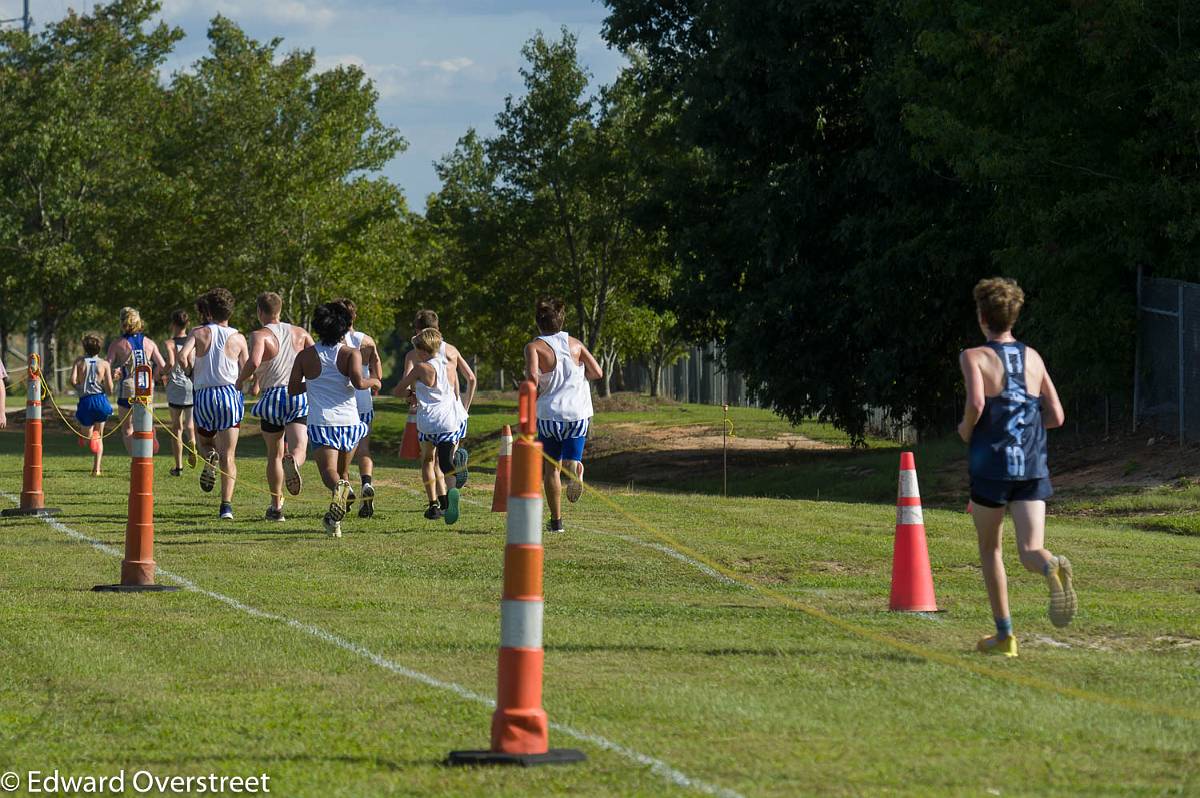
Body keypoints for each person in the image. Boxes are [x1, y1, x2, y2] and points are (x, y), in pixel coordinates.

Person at [959, 277, 1076, 657]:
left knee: (991, 549)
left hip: (991, 467)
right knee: (1030, 548)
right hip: (1031, 465)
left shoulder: (974, 356)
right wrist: (1024, 425)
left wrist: (965, 428)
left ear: (982, 317)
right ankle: (1050, 567)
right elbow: (1056, 415)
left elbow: (977, 405)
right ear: (1013, 316)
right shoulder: (1035, 357)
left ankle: (1005, 636)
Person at [289, 302, 379, 537]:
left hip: (322, 423)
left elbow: (292, 389)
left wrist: (313, 383)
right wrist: (375, 382)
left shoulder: (305, 355)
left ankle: (341, 492)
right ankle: (333, 523)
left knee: (331, 475)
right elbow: (360, 383)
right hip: (350, 423)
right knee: (343, 473)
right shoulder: (351, 353)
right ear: (343, 328)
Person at [524, 297, 602, 533]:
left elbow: (532, 380)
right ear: (561, 320)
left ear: (538, 322)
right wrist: (576, 377)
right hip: (578, 413)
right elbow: (597, 372)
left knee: (551, 469)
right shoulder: (575, 343)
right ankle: (576, 468)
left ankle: (556, 521)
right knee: (570, 459)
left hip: (550, 415)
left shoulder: (534, 347)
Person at [241, 292, 312, 521]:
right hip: (297, 393)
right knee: (299, 445)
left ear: (260, 312)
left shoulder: (260, 335)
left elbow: (253, 361)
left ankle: (276, 507)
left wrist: (240, 380)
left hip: (273, 396)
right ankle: (296, 463)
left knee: (274, 453)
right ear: (280, 310)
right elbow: (317, 359)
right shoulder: (300, 333)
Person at [178, 288, 248, 520]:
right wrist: (242, 383)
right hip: (229, 394)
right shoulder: (238, 337)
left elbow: (182, 356)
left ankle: (209, 457)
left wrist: (190, 371)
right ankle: (226, 506)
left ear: (208, 311)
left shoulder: (199, 333)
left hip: (204, 395)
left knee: (205, 442)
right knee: (229, 455)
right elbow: (247, 366)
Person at [393, 327, 469, 525]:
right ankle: (451, 494)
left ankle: (434, 503)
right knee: (445, 463)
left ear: (423, 351)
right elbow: (455, 391)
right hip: (448, 421)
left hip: (427, 422)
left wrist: (410, 395)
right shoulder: (449, 366)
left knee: (427, 460)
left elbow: (398, 390)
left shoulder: (420, 368)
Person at [401, 309, 477, 491]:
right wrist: (465, 407)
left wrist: (410, 396)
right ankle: (451, 493)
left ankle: (440, 502)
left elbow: (405, 385)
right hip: (455, 412)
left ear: (418, 331)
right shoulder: (451, 350)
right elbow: (471, 379)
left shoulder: (414, 353)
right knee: (445, 458)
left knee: (431, 460)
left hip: (430, 413)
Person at [337, 298, 382, 518]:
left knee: (342, 451)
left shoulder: (334, 341)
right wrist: (375, 383)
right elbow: (377, 368)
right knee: (364, 448)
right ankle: (366, 483)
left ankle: (347, 490)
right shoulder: (367, 341)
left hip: (342, 399)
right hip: (363, 397)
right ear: (354, 317)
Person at [107, 307, 166, 453]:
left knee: (127, 429)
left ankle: (136, 459)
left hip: (128, 388)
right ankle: (150, 447)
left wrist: (114, 373)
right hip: (147, 388)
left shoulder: (117, 344)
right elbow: (163, 365)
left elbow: (105, 365)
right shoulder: (150, 343)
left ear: (122, 323)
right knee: (147, 423)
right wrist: (155, 375)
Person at [71, 332, 114, 477]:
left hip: (86, 400)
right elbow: (110, 388)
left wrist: (79, 386)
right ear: (100, 348)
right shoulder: (105, 364)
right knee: (99, 435)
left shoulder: (79, 362)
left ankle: (88, 436)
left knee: (88, 435)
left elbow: (73, 381)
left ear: (84, 347)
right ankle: (97, 469)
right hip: (101, 400)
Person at [163, 308, 197, 476]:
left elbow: (170, 363)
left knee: (176, 427)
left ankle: (178, 467)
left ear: (172, 324)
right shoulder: (194, 341)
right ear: (187, 324)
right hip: (191, 383)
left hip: (175, 385)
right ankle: (193, 444)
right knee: (190, 425)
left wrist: (161, 372)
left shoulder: (170, 343)